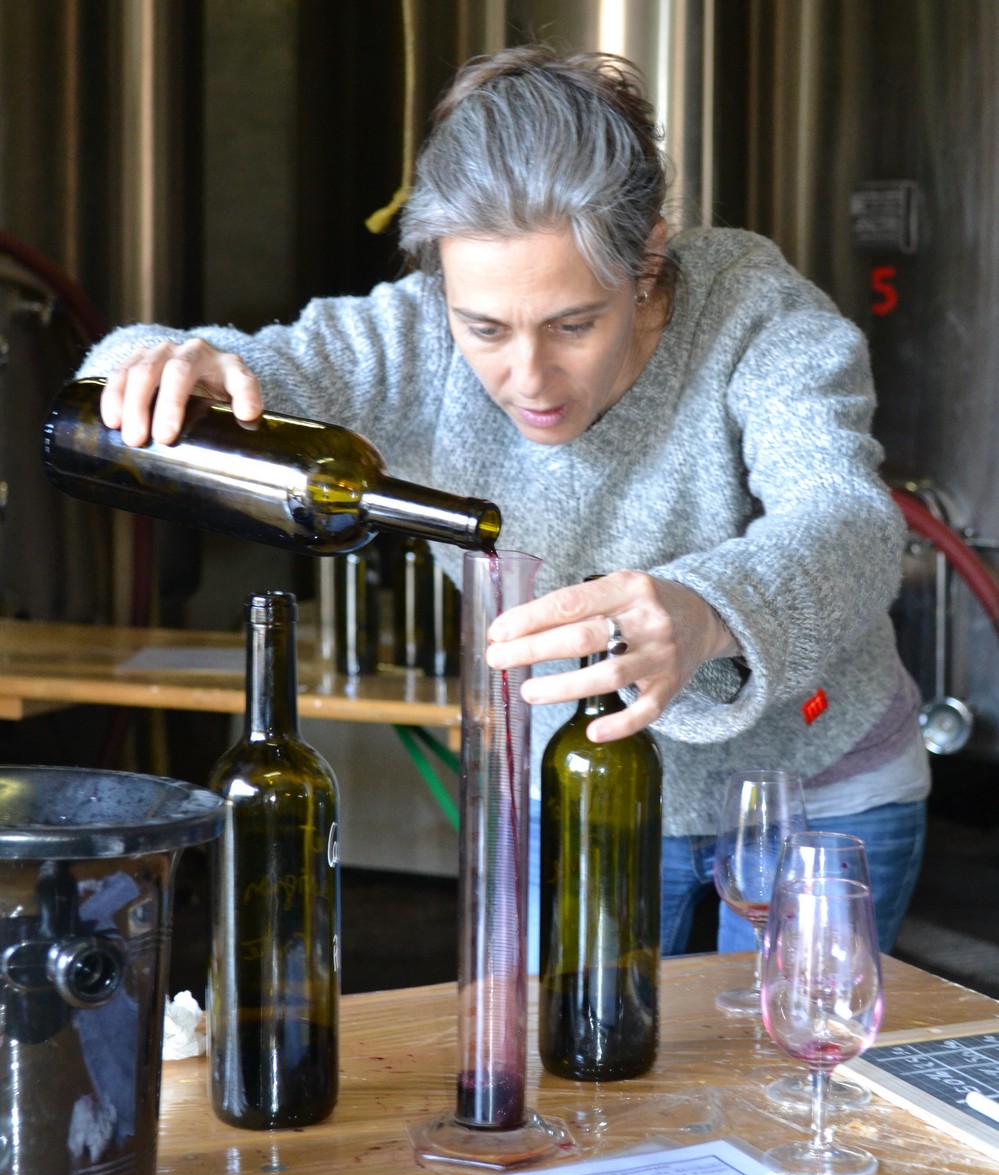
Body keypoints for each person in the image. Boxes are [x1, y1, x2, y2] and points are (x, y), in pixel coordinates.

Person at [78, 44, 929, 962]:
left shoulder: (752, 311)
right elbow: (200, 367)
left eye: (574, 324)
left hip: (813, 786)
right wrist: (156, 367)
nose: (528, 378)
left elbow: (846, 521)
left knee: (787, 1049)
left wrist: (710, 610)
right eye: (483, 327)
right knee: (573, 1055)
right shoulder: (412, 336)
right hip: (568, 788)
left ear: (647, 258)